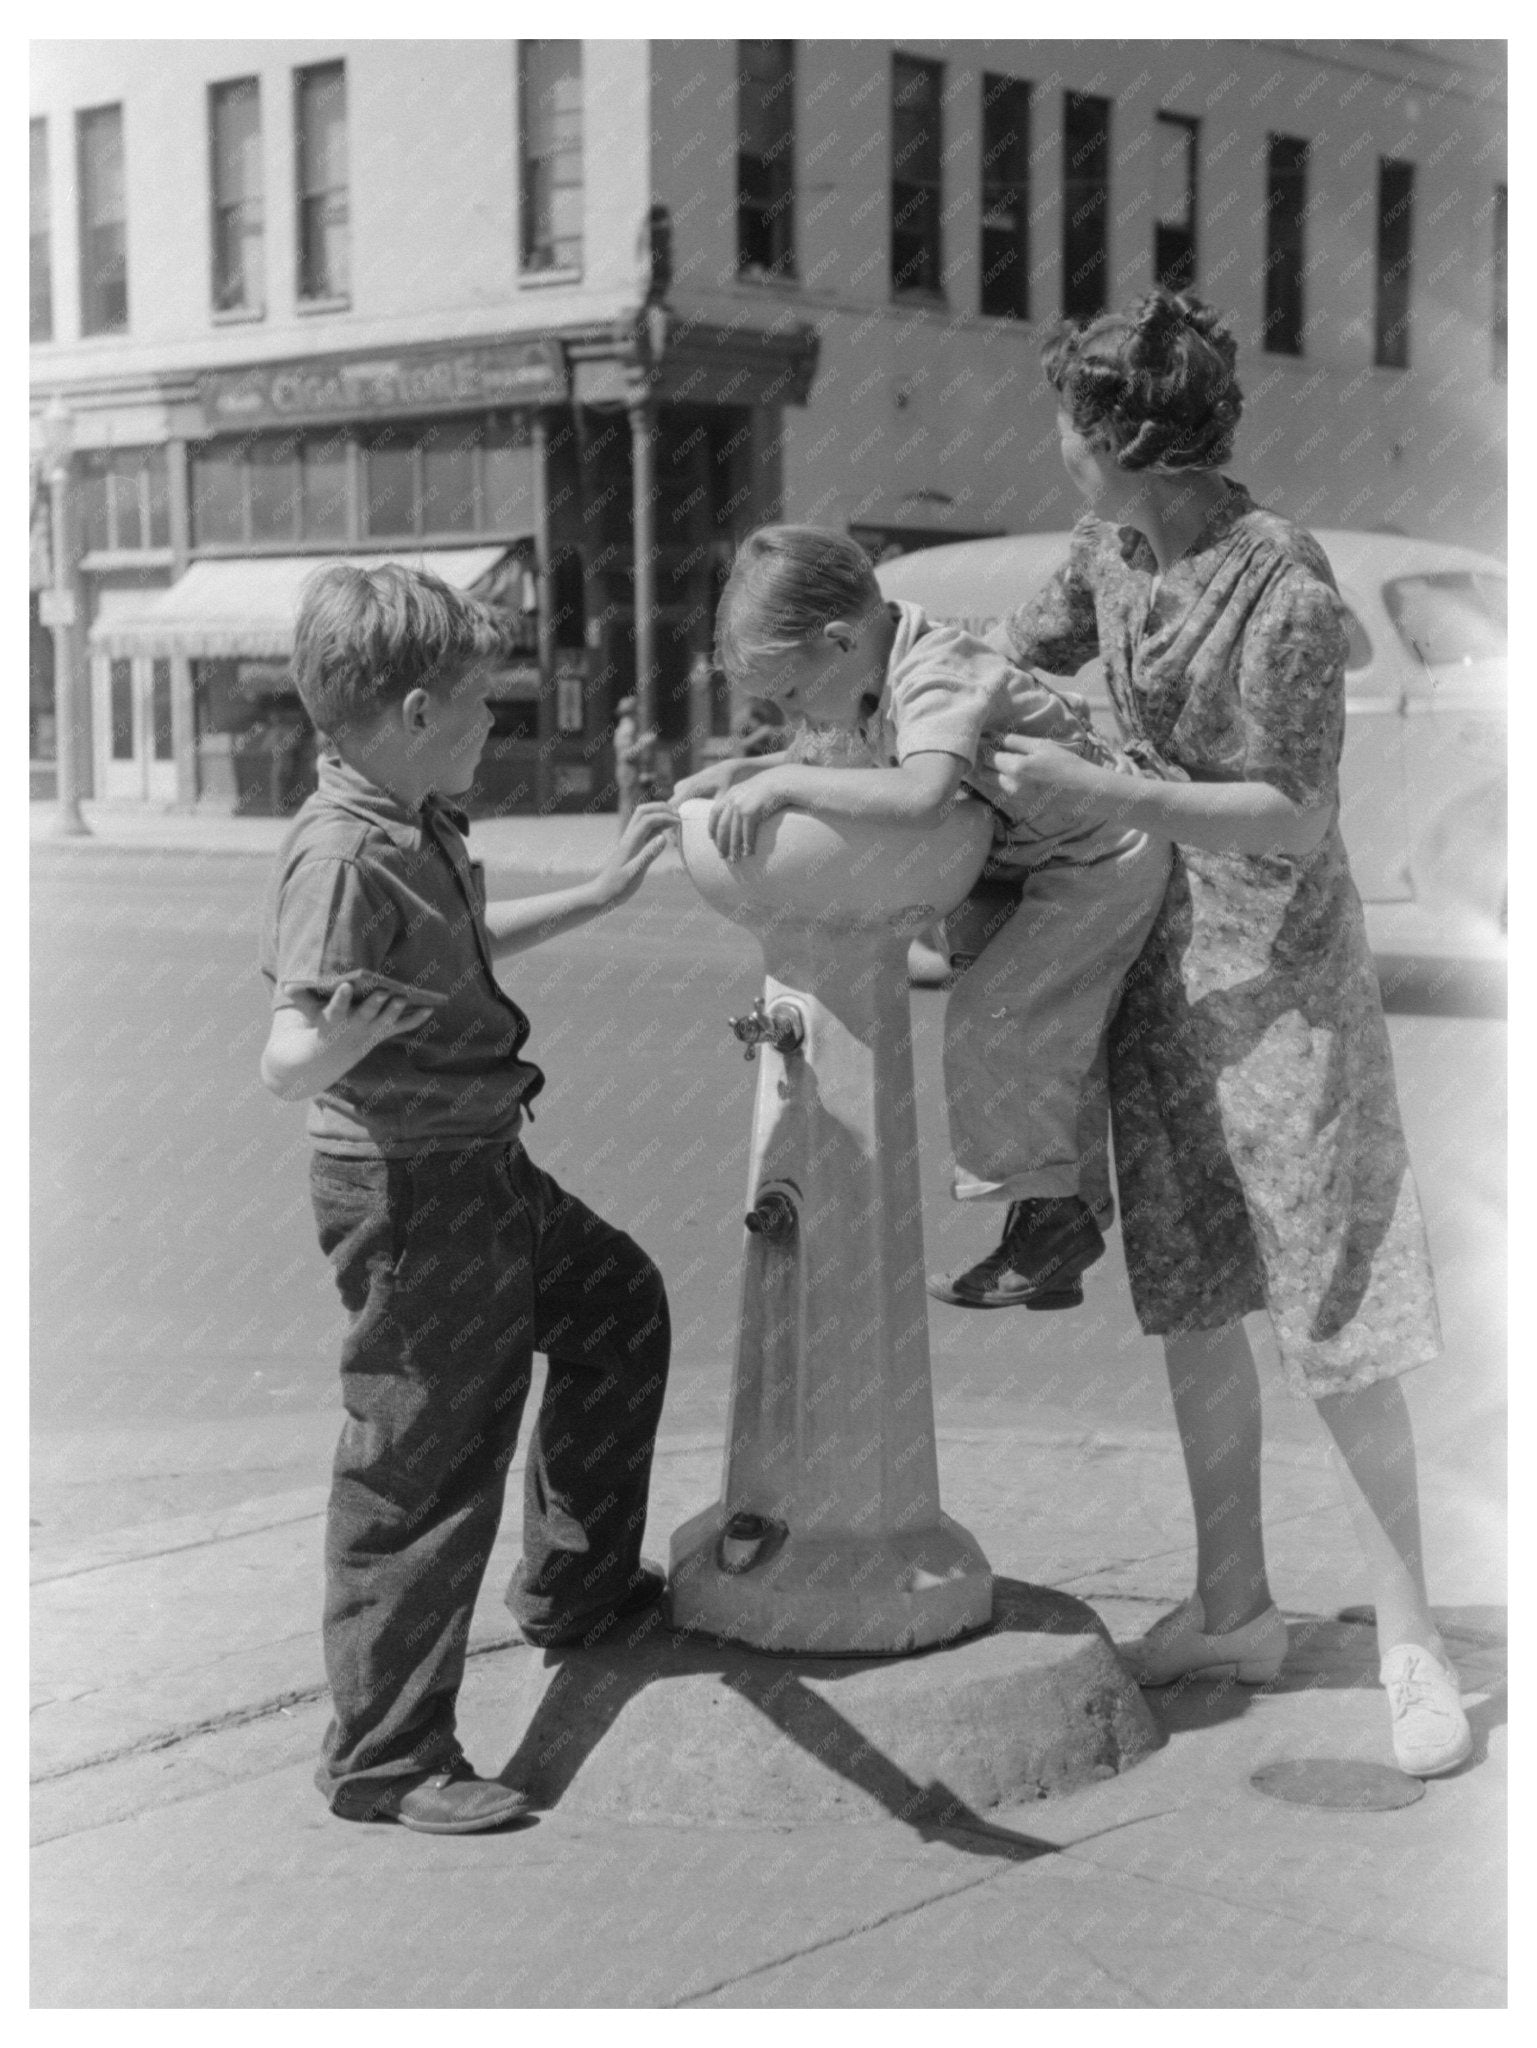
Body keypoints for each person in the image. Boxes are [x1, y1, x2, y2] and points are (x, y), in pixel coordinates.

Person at [971, 289, 1471, 1777]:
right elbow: (1014, 649)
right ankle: (1234, 1601)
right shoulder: (1112, 555)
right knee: (1193, 1298)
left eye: (1070, 422)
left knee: (1332, 1312)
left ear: (1126, 436)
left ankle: (1410, 1637)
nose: (1057, 450)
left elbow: (1294, 812)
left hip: (1284, 992)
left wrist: (1114, 796)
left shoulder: (1287, 590)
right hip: (1159, 972)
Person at [259, 564, 678, 1835]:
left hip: (482, 1166)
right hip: (415, 1191)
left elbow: (465, 944)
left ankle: (574, 1588)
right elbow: (282, 1056)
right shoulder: (341, 853)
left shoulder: (409, 816)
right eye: (483, 705)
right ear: (411, 706)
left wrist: (603, 892)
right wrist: (336, 1041)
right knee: (422, 1466)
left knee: (617, 1306)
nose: (498, 724)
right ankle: (385, 1759)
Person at [671, 524, 1171, 1310]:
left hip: (1097, 858)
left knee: (997, 1017)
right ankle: (1052, 1232)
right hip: (1032, 858)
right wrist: (749, 770)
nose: (793, 715)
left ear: (838, 641)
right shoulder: (876, 667)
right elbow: (839, 752)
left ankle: (1053, 1228)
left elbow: (918, 792)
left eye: (791, 693)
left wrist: (784, 790)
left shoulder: (933, 672)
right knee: (1038, 1043)